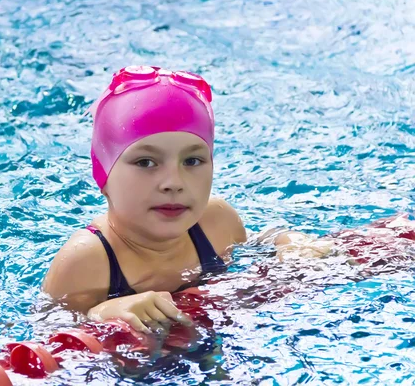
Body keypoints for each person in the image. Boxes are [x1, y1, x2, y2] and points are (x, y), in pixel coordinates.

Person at [42, 66, 338, 334]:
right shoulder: (86, 260)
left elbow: (254, 248)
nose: (174, 183)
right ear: (103, 174)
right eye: (146, 162)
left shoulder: (216, 222)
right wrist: (99, 312)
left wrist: (287, 241)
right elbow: (40, 340)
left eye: (193, 161)